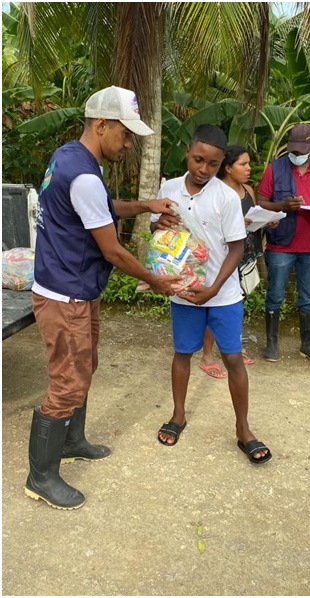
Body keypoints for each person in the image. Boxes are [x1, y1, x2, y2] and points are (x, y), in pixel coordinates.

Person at [26, 86, 179, 510]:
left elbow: (105, 207)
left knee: (84, 365)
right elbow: (112, 249)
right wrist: (156, 280)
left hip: (76, 287)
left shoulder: (70, 157)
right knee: (67, 380)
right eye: (125, 134)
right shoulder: (85, 176)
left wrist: (147, 204)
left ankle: (73, 440)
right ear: (101, 125)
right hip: (65, 294)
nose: (128, 143)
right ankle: (41, 477)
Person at [151, 124, 271, 465]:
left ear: (221, 165)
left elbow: (236, 248)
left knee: (233, 358)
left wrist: (215, 288)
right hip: (185, 292)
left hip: (223, 294)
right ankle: (178, 416)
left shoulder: (226, 198)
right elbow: (158, 228)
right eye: (198, 160)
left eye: (213, 164)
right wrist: (155, 224)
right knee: (182, 354)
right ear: (187, 152)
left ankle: (243, 429)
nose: (203, 169)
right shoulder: (170, 187)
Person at [256, 124, 310, 365]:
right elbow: (261, 202)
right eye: (294, 149)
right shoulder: (274, 169)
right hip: (281, 245)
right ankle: (272, 343)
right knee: (275, 295)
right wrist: (281, 207)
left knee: (309, 297)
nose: (297, 154)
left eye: (302, 150)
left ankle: (308, 345)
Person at [198, 146, 275, 379]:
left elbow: (254, 220)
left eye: (249, 163)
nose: (249, 168)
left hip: (247, 254)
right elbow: (206, 227)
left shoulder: (248, 191)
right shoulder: (215, 193)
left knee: (236, 305)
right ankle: (207, 355)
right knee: (219, 306)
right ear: (228, 168)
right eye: (243, 164)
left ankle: (231, 349)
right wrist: (235, 222)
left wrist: (267, 221)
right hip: (224, 257)